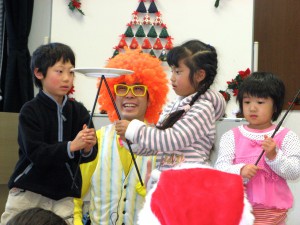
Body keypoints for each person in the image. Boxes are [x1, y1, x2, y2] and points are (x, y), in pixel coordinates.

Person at [0, 43, 98, 225]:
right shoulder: (30, 110)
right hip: (29, 191)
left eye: (71, 72)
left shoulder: (79, 111)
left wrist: (87, 148)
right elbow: (36, 153)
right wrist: (72, 146)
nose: (67, 78)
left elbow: (87, 156)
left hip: (64, 194)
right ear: (39, 73)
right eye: (59, 72)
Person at [73, 48, 169, 225]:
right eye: (122, 88)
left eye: (139, 89)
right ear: (112, 95)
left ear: (151, 98)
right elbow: (75, 195)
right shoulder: (96, 140)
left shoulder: (162, 142)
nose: (130, 95)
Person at [115, 40, 226, 173]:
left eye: (178, 72)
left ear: (199, 75)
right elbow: (155, 146)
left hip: (190, 183)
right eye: (172, 71)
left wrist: (134, 130)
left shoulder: (203, 109)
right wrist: (130, 140)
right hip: (169, 182)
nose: (172, 78)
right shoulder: (173, 107)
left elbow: (171, 140)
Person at [214, 72, 300, 224]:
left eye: (260, 102)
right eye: (247, 102)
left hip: (273, 212)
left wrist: (274, 155)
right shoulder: (231, 136)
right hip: (238, 209)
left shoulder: (287, 136)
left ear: (275, 106)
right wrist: (240, 170)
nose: (252, 108)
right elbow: (220, 169)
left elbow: (294, 172)